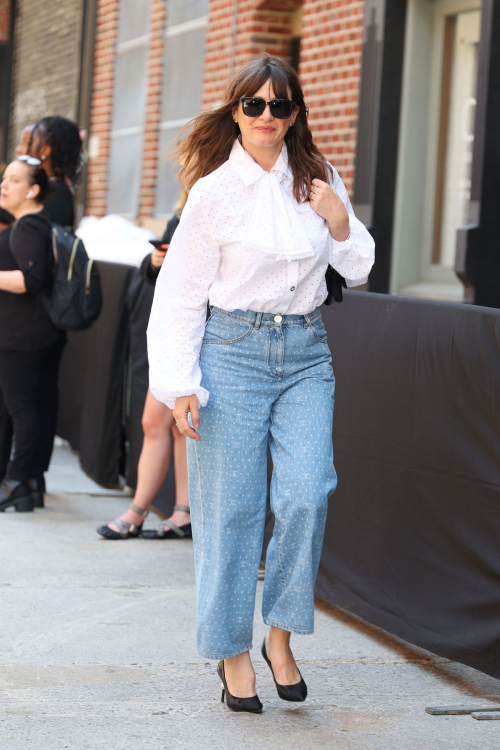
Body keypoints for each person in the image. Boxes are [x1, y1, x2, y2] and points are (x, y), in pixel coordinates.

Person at [147, 54, 375, 713]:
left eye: (281, 106)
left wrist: (336, 216)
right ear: (236, 112)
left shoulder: (318, 178)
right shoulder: (214, 193)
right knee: (232, 511)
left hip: (305, 352)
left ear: (295, 113)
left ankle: (280, 636)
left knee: (308, 493)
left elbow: (356, 264)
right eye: (255, 105)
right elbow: (182, 296)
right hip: (231, 352)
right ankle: (232, 652)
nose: (268, 117)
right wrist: (180, 383)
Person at [97, 195, 191, 540]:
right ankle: (160, 511)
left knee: (175, 425)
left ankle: (160, 512)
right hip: (175, 325)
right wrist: (155, 262)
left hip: (202, 328)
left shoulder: (224, 193)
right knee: (157, 423)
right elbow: (159, 273)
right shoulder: (182, 207)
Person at [0, 156, 65, 512]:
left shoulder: (28, 227)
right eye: (4, 180)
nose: (4, 186)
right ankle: (29, 484)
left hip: (21, 335)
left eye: (13, 180)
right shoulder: (37, 223)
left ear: (33, 190)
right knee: (31, 407)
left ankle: (16, 482)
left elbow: (30, 280)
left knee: (23, 410)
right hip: (33, 332)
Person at [28, 116, 82, 227]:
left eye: (30, 143)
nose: (25, 149)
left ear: (45, 151)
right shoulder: (48, 187)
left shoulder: (55, 193)